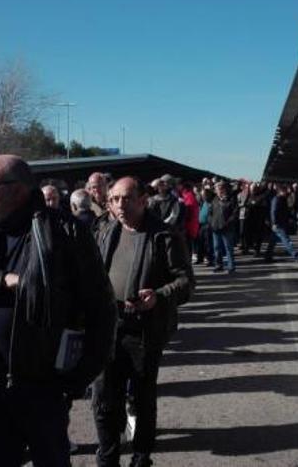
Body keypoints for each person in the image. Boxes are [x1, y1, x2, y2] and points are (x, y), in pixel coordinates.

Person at [0, 155, 117, 467]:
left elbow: (101, 310)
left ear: (17, 190)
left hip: (43, 387)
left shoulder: (65, 232)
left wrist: (76, 380)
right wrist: (0, 281)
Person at [93, 177, 194, 467]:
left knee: (142, 400)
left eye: (126, 198)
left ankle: (140, 459)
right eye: (114, 199)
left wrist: (159, 296)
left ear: (142, 200)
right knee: (103, 399)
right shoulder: (104, 230)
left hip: (145, 332)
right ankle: (107, 458)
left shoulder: (165, 234)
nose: (119, 205)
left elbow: (186, 282)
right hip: (108, 329)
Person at [264, 184, 298, 263]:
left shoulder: (282, 199)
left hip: (281, 223)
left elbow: (286, 212)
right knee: (286, 240)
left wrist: (294, 218)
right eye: (285, 191)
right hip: (278, 224)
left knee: (272, 241)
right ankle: (296, 255)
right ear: (280, 191)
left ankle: (267, 256)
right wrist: (274, 223)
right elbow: (273, 212)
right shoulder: (277, 199)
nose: (286, 192)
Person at [209, 181, 238, 273]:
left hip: (227, 228)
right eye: (217, 189)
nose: (218, 190)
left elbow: (235, 213)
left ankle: (231, 267)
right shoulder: (214, 200)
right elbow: (210, 213)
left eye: (220, 188)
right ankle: (218, 265)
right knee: (217, 247)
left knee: (228, 248)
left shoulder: (231, 199)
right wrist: (211, 222)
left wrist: (227, 223)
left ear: (224, 189)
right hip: (216, 228)